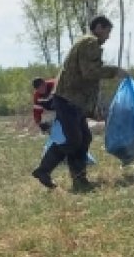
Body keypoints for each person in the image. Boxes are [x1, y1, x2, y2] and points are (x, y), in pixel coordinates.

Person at [31, 16, 124, 192]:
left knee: (84, 138)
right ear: (98, 27)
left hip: (73, 101)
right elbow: (89, 72)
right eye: (107, 31)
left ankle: (79, 180)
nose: (108, 36)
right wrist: (115, 71)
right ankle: (44, 170)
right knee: (74, 141)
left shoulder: (86, 42)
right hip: (69, 100)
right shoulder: (90, 43)